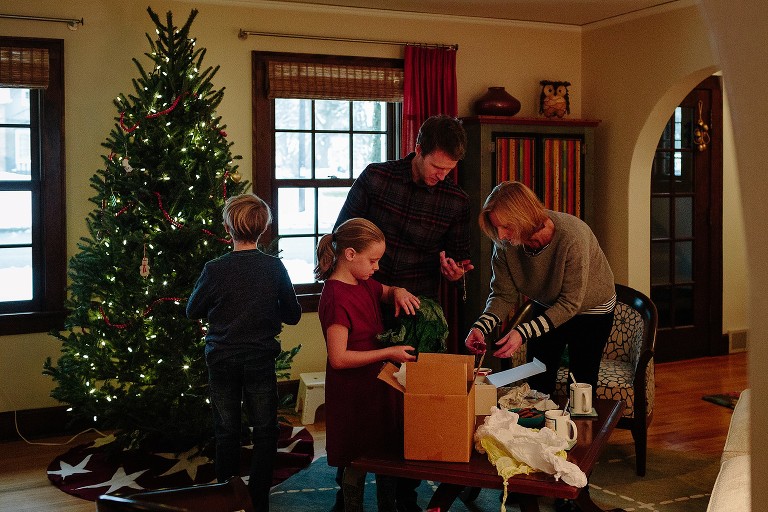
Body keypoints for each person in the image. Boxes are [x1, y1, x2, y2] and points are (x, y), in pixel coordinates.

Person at [334, 115, 474, 511]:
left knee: (407, 406)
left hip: (417, 310)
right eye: (435, 167)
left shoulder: (456, 200)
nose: (441, 176)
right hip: (365, 300)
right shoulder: (377, 178)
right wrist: (373, 287)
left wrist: (455, 271)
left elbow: (458, 259)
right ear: (418, 150)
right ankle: (348, 487)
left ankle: (402, 495)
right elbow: (342, 234)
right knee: (365, 402)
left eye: (448, 170)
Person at [186, 193, 302, 512]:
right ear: (264, 228)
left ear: (227, 227)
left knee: (227, 430)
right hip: (260, 359)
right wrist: (266, 311)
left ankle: (228, 498)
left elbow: (192, 310)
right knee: (265, 430)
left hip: (221, 359)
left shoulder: (214, 269)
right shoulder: (274, 268)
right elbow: (292, 314)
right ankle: (259, 499)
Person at [465, 181, 616, 396]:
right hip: (547, 304)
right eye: (496, 227)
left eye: (506, 226)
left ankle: (582, 429)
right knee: (538, 379)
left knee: (582, 385)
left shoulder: (573, 236)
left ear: (523, 217)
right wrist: (480, 327)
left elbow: (570, 303)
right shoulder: (506, 245)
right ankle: (539, 429)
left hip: (591, 310)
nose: (500, 235)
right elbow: (503, 294)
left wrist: (523, 332)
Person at [316, 218, 420, 512]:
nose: (376, 267)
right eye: (372, 260)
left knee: (384, 452)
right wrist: (388, 352)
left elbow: (384, 291)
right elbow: (339, 358)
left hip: (376, 384)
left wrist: (397, 291)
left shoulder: (363, 282)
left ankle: (389, 506)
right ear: (350, 255)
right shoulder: (336, 296)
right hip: (353, 392)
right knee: (357, 458)